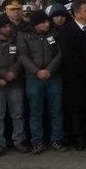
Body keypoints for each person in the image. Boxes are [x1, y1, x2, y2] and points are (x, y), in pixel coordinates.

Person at [57, 0, 86, 151]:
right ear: (76, 14)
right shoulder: (66, 31)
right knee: (77, 109)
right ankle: (80, 139)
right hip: (76, 77)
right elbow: (69, 56)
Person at [17, 10, 64, 154]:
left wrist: (49, 70)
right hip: (33, 78)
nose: (47, 24)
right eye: (44, 22)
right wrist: (37, 71)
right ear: (36, 24)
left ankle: (57, 139)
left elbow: (60, 54)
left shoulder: (54, 34)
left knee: (56, 110)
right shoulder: (23, 35)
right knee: (35, 112)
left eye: (48, 21)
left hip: (53, 76)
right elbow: (22, 56)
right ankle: (37, 142)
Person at [0, 14, 27, 155]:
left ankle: (19, 141)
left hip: (15, 83)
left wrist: (12, 73)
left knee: (18, 115)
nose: (8, 28)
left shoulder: (17, 37)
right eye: (5, 26)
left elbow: (22, 57)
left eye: (9, 25)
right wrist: (3, 75)